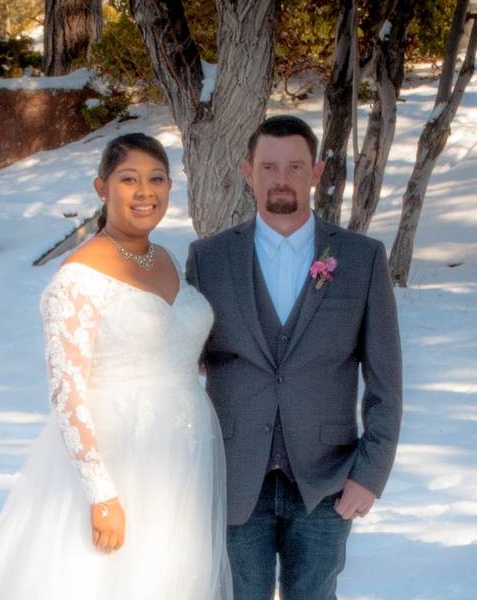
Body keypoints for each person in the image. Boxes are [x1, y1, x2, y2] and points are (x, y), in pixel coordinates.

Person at [0, 133, 231, 599]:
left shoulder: (167, 260)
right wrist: (101, 494)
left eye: (157, 179)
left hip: (184, 458)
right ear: (102, 188)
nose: (145, 192)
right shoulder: (78, 277)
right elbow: (67, 393)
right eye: (129, 179)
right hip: (121, 459)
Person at [186, 115, 402, 600]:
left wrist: (369, 475)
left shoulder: (362, 258)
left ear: (317, 172)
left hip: (328, 480)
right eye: (268, 167)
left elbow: (387, 382)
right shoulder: (208, 259)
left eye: (294, 166)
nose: (281, 179)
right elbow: (184, 368)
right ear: (247, 172)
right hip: (235, 477)